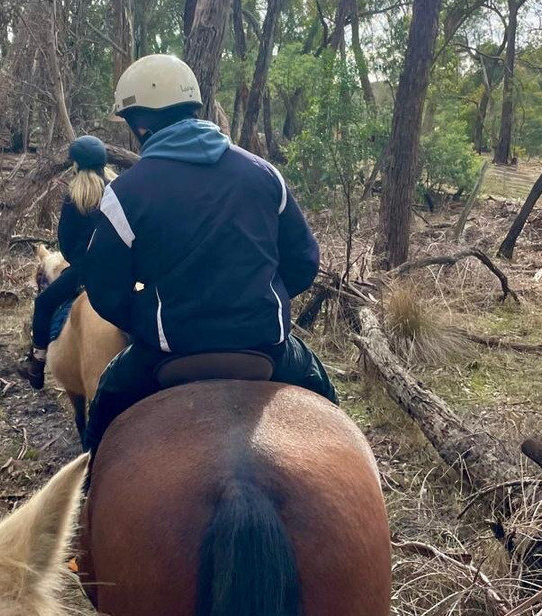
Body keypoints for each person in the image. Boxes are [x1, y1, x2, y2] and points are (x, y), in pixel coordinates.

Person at [81, 53, 337, 451]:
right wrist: (265, 298)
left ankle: (86, 493)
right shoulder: (264, 174)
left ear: (140, 123)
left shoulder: (126, 193)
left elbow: (103, 290)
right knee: (328, 405)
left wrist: (148, 317)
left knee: (104, 409)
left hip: (168, 352)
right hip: (265, 346)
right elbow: (304, 262)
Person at [19, 135, 116, 389]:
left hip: (85, 273)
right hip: (121, 269)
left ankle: (37, 363)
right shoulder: (119, 189)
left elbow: (66, 243)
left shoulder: (75, 195)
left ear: (76, 165)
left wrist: (78, 263)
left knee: (43, 303)